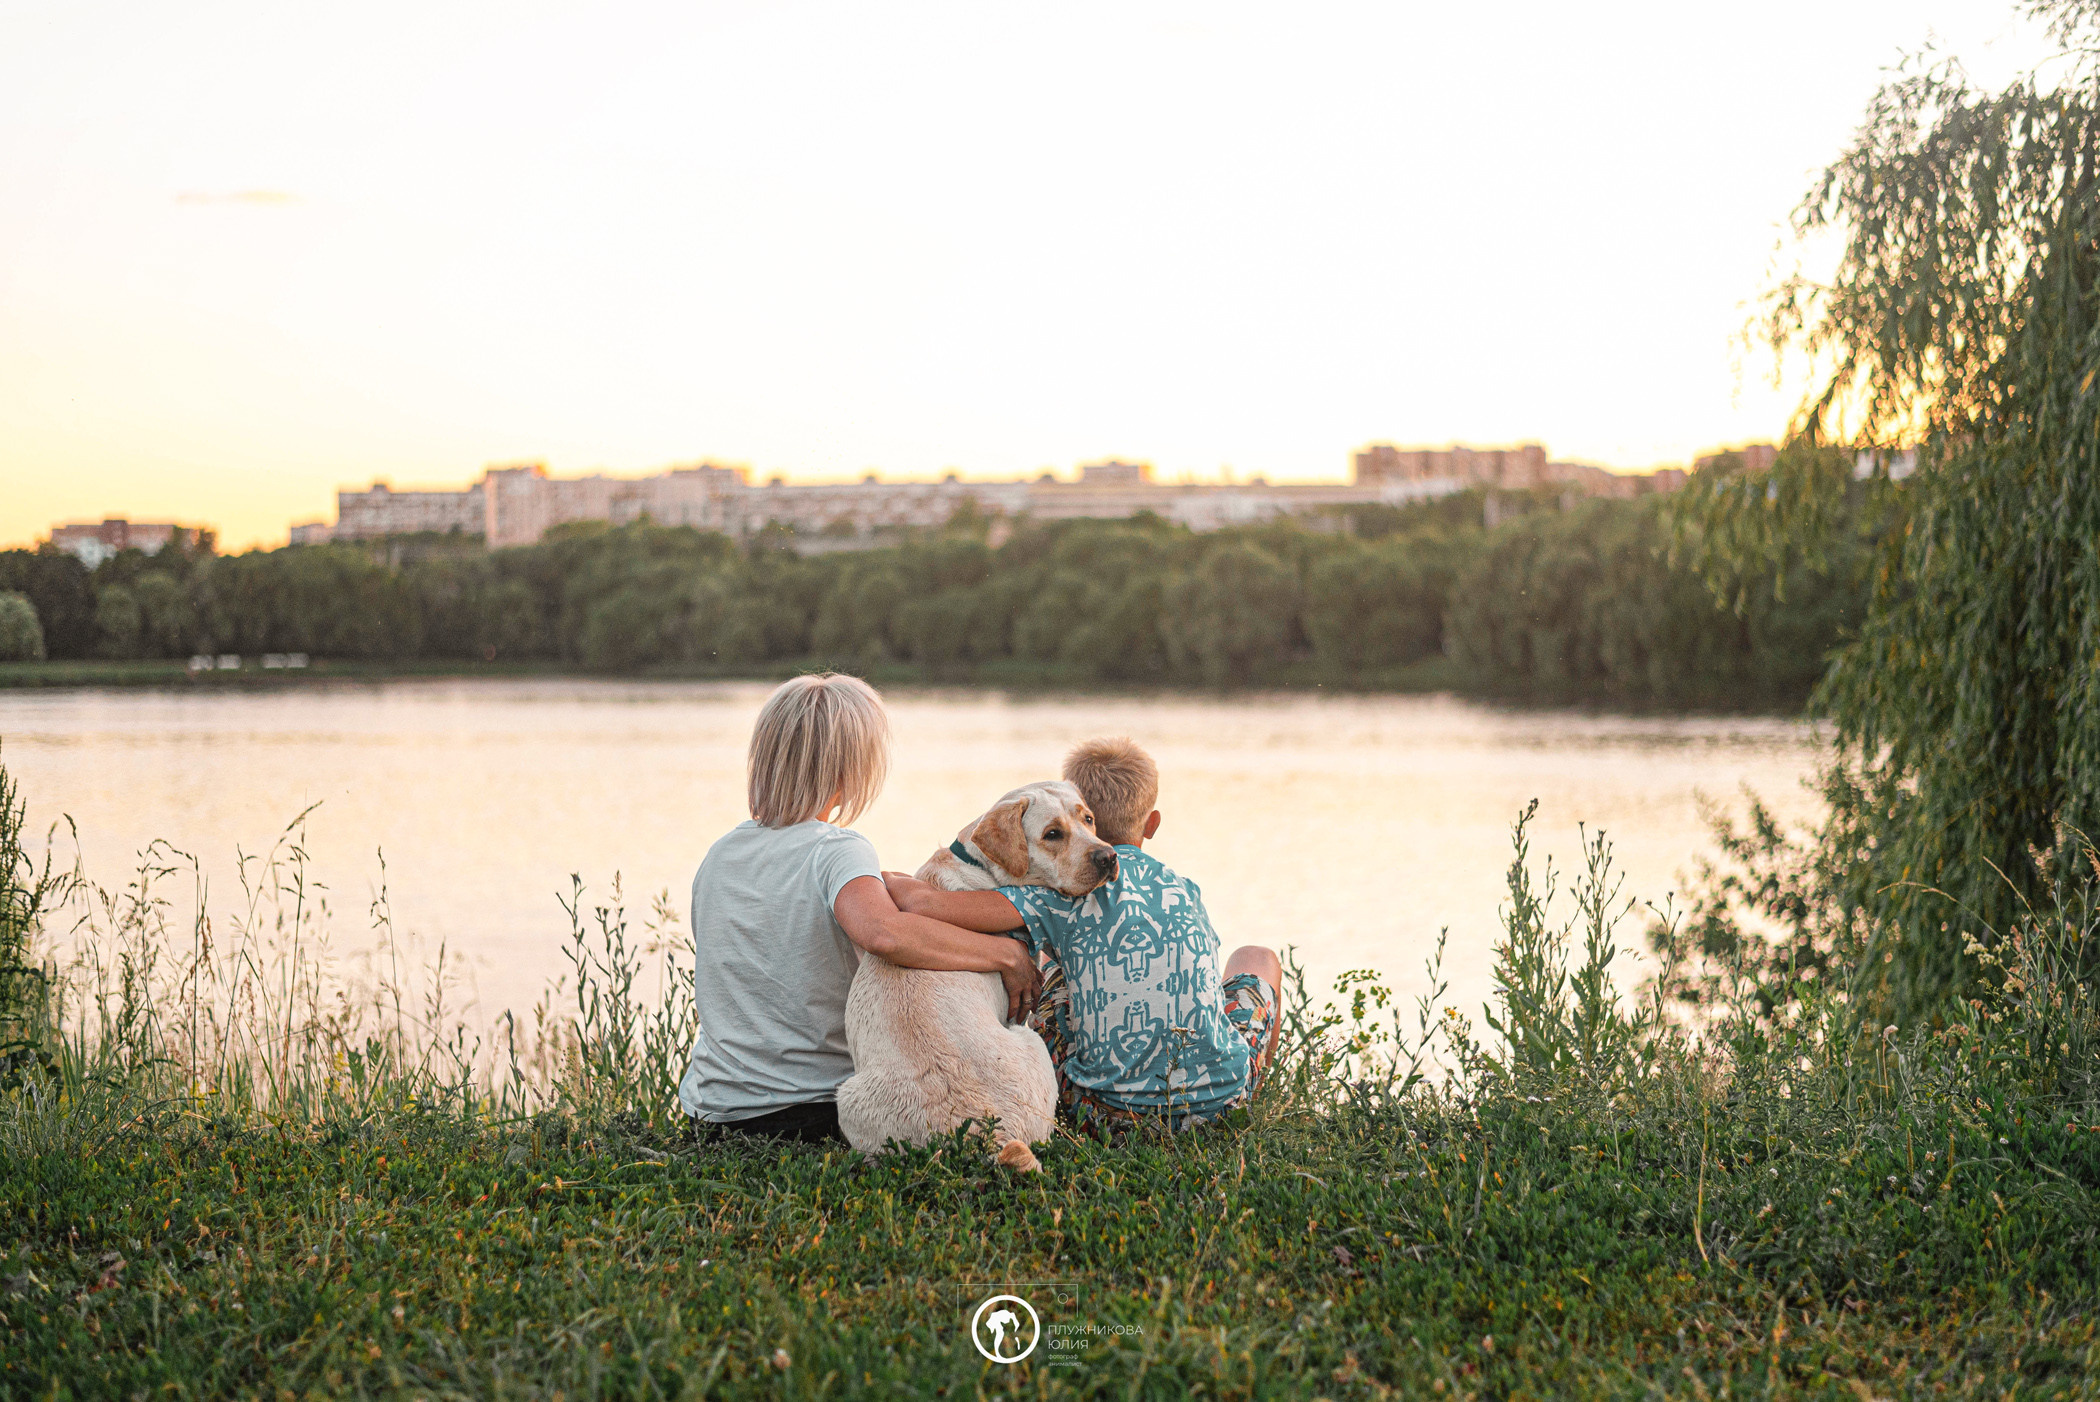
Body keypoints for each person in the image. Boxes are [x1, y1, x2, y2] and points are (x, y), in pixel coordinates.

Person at [677, 673, 1041, 1145]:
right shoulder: (836, 849)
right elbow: (885, 934)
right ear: (849, 772)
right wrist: (1006, 955)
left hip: (712, 1115)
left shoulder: (720, 855)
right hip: (810, 1113)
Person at [885, 736, 1282, 1133]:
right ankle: (1261, 1097)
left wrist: (872, 876)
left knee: (1050, 963)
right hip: (1223, 1109)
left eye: (1086, 822)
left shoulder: (1049, 898)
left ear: (1091, 819)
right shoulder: (1185, 888)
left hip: (1103, 1118)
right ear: (1152, 823)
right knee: (1257, 957)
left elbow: (926, 904)